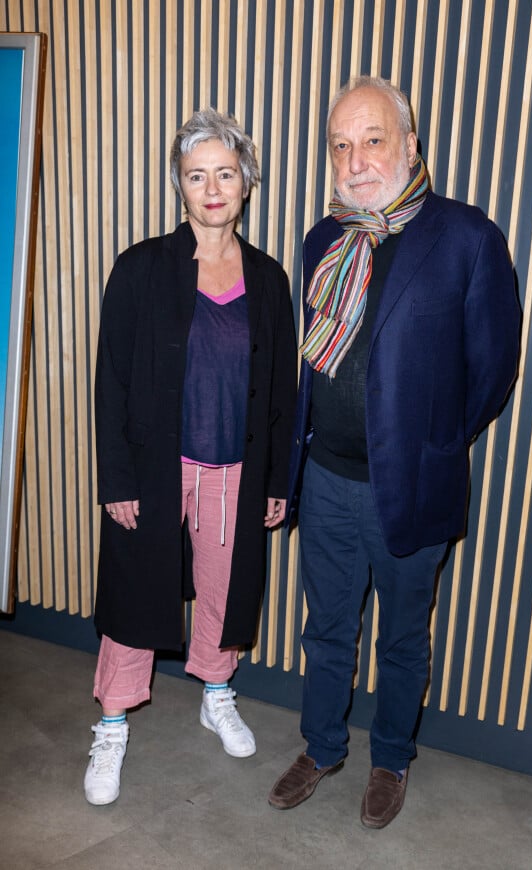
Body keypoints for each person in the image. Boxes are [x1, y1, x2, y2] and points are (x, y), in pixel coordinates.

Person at [268, 77, 520, 829]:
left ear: (410, 145)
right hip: (325, 481)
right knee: (327, 630)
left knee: (404, 638)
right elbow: (306, 369)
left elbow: (493, 371)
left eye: (372, 139)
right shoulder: (323, 238)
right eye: (340, 144)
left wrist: (434, 443)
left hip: (412, 488)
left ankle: (390, 759)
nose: (355, 159)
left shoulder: (468, 238)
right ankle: (321, 746)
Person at [84, 108, 297, 806]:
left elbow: (282, 393)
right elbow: (110, 378)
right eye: (196, 174)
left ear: (246, 183)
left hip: (234, 468)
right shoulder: (142, 268)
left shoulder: (268, 279)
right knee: (135, 594)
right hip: (155, 468)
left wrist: (275, 479)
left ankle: (217, 691)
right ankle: (112, 722)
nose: (212, 188)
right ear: (179, 184)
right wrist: (115, 477)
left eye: (226, 174)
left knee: (225, 590)